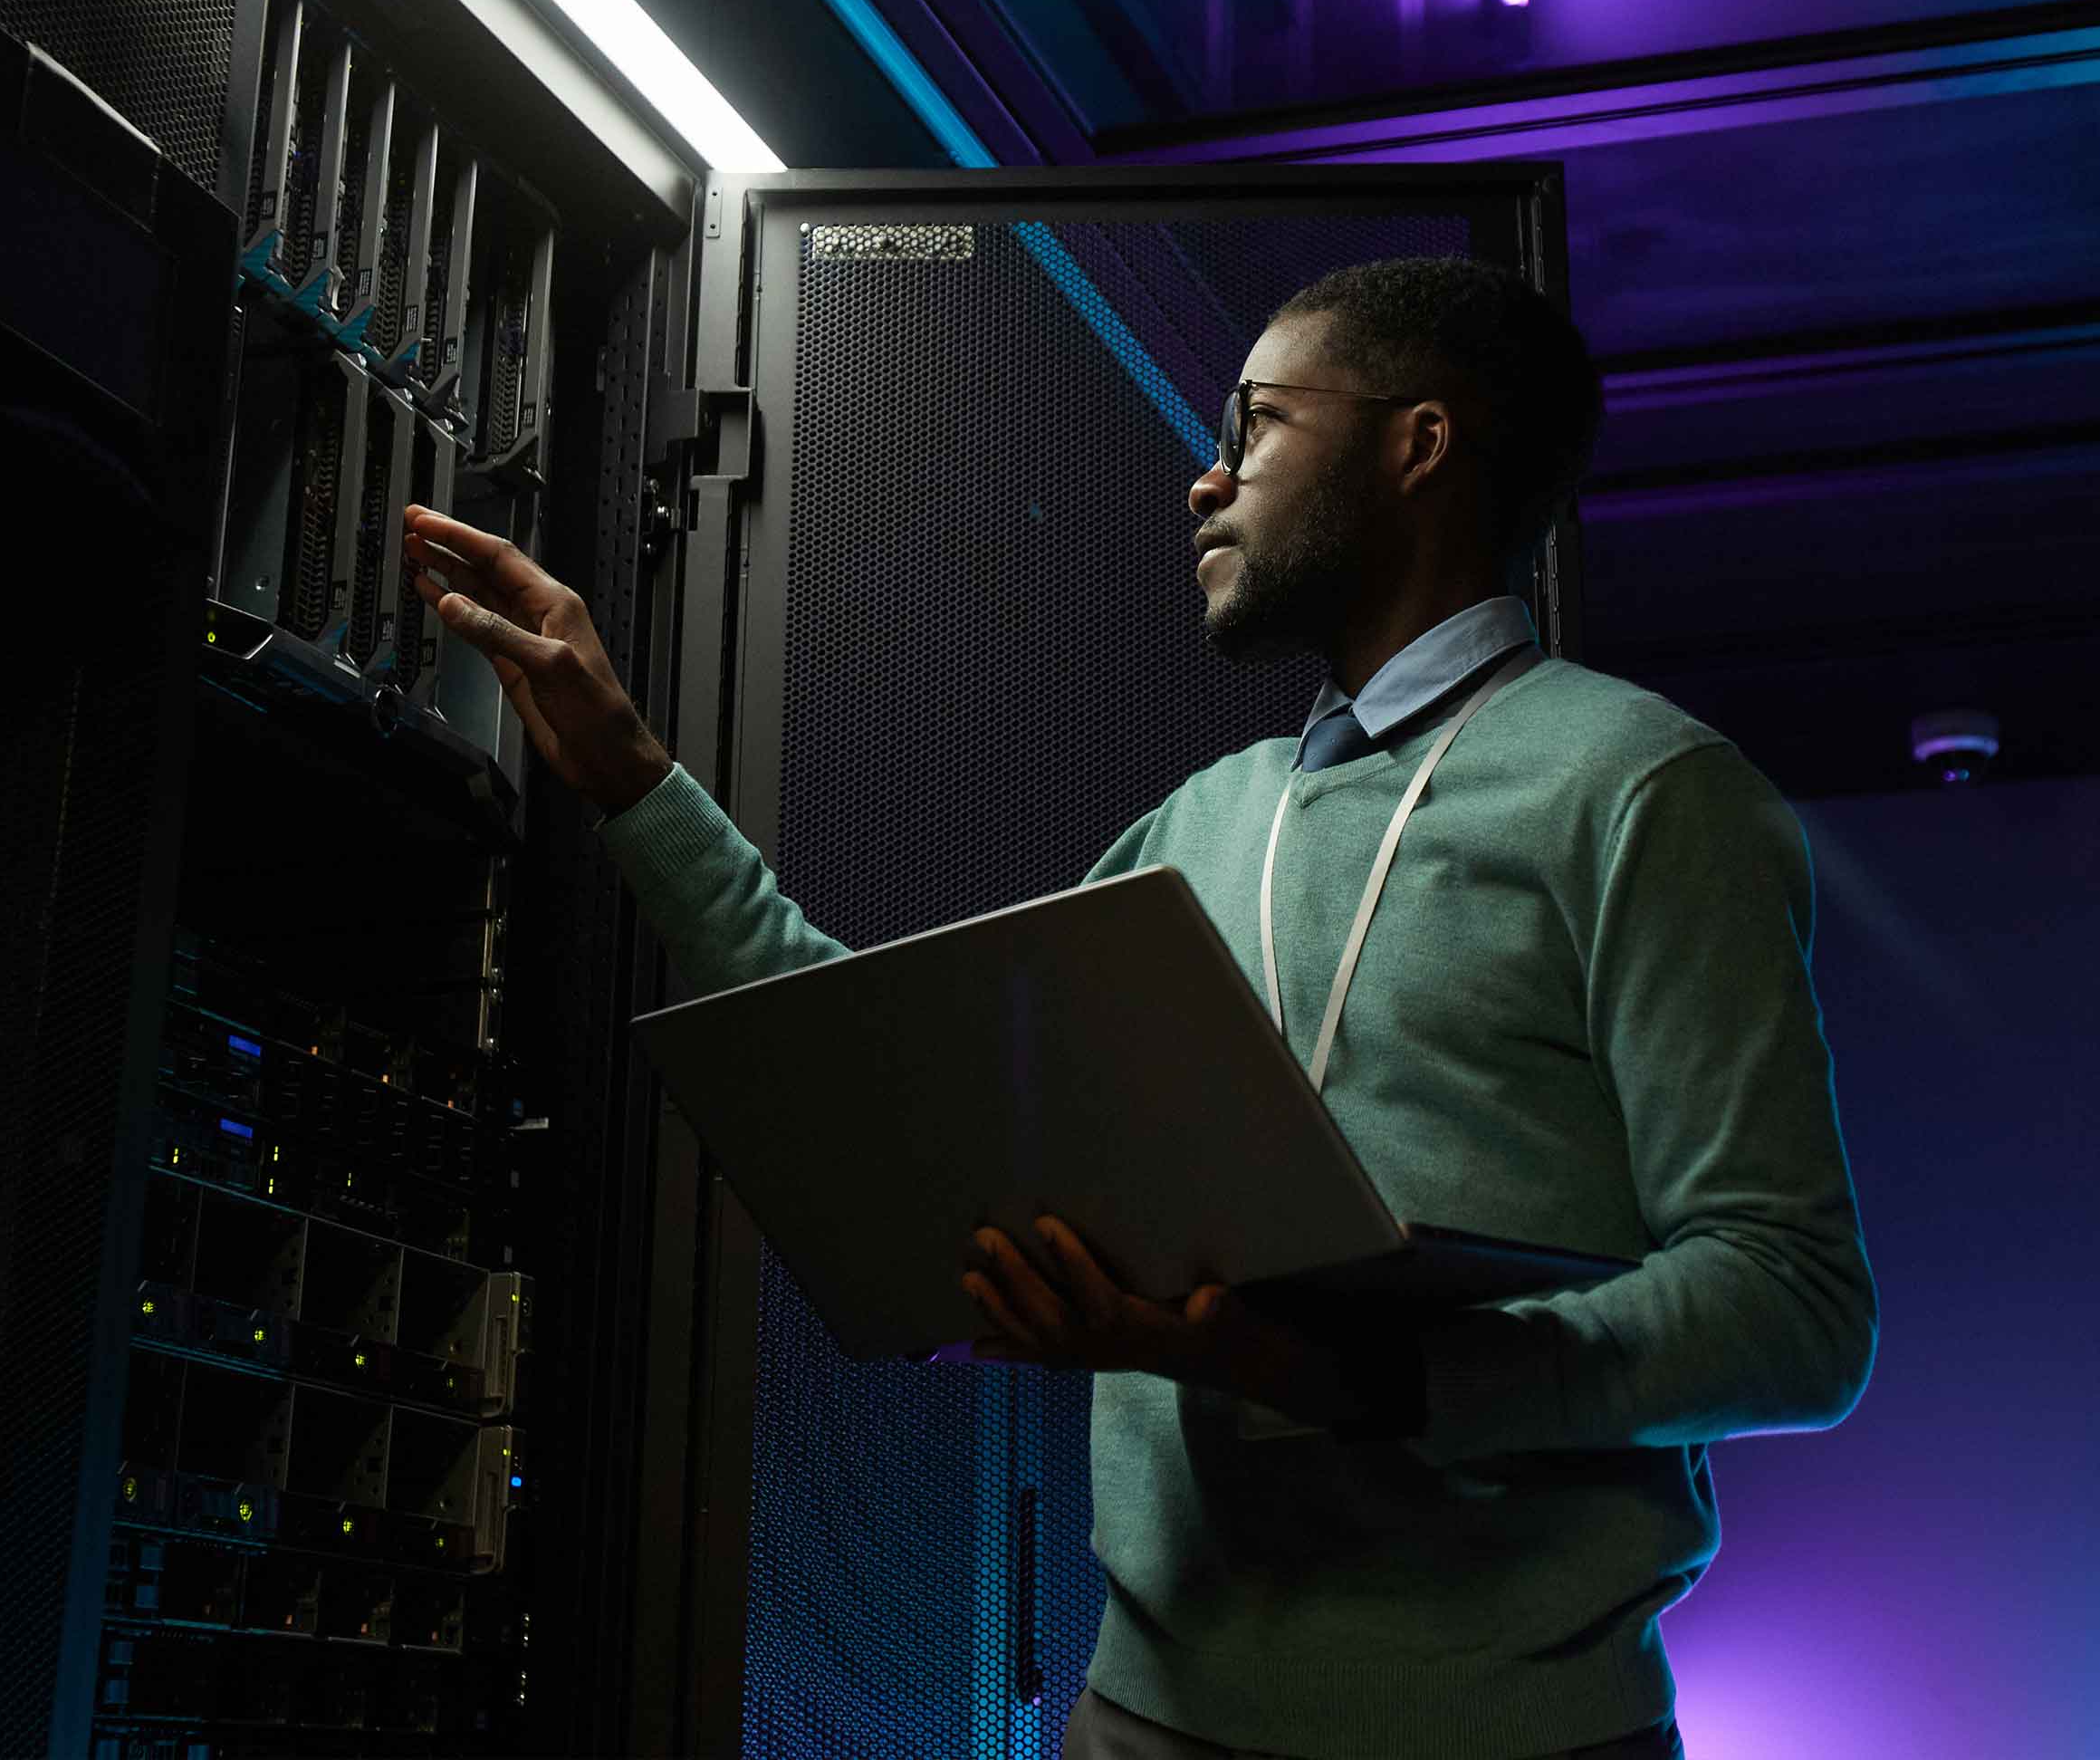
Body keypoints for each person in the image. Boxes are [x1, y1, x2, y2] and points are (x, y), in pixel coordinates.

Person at [398, 256, 1877, 1760]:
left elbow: (1793, 1309)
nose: (1204, 480)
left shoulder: (1643, 790)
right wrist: (633, 779)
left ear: (1418, 445)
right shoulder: (1208, 820)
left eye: (1255, 424)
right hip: (1143, 1727)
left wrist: (1359, 1381)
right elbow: (891, 1083)